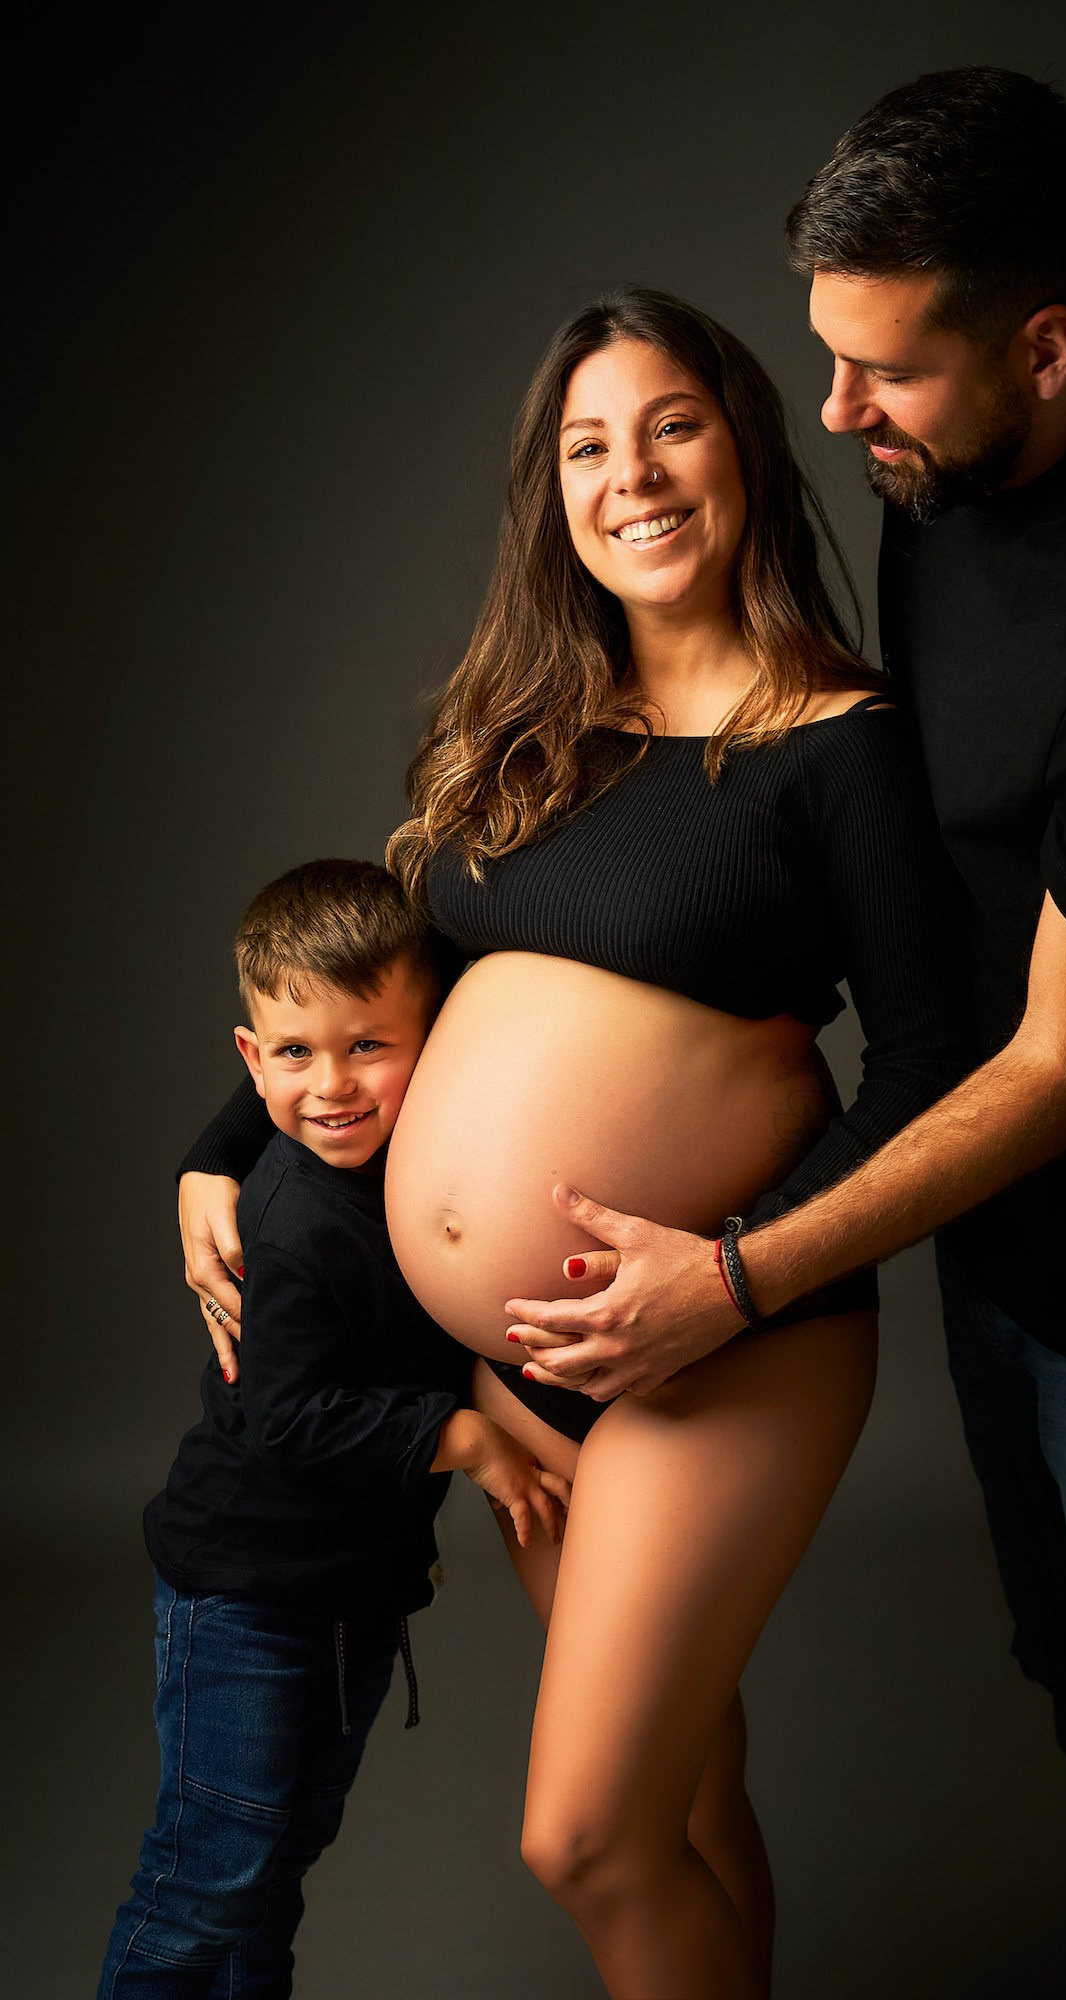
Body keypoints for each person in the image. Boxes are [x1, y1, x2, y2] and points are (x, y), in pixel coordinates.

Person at [480, 69, 1066, 2000]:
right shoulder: (949, 485)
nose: (841, 414)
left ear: (1044, 347)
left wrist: (742, 1274)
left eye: (887, 373)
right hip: (998, 1244)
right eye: (827, 364)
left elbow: (1054, 1064)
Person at [175, 289, 972, 1998]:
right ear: (553, 491)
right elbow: (383, 988)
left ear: (744, 442)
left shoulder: (837, 744)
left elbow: (936, 1072)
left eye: (671, 423)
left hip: (728, 1339)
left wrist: (734, 1278)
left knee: (587, 1837)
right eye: (587, 444)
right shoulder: (527, 733)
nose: (634, 474)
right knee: (683, 1796)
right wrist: (213, 1146)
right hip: (532, 1364)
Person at [101, 860, 567, 1998]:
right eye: (298, 1053)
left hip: (351, 1597)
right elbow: (287, 1416)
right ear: (251, 1061)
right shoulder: (293, 1215)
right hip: (245, 1597)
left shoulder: (405, 1167)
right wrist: (462, 1436)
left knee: (274, 1873)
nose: (335, 1086)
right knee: (208, 1881)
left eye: (370, 1046)